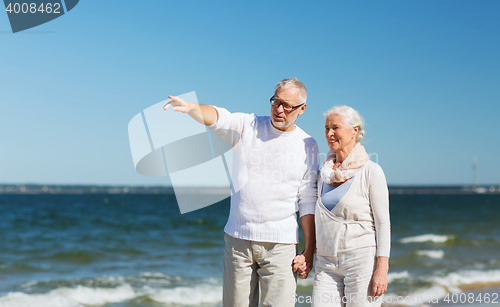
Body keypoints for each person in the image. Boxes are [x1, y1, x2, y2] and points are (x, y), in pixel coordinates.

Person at [163, 78, 318, 307]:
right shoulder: (248, 125)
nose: (279, 109)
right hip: (238, 241)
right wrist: (194, 108)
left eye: (287, 105)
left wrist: (309, 250)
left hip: (281, 246)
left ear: (302, 109)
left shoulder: (307, 144)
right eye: (275, 101)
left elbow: (307, 200)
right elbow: (219, 117)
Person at [297, 105, 390, 307]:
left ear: (354, 130)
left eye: (335, 127)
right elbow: (315, 216)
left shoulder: (371, 171)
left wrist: (381, 270)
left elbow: (383, 224)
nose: (329, 133)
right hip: (326, 262)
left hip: (361, 260)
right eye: (326, 128)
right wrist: (308, 252)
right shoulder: (323, 173)